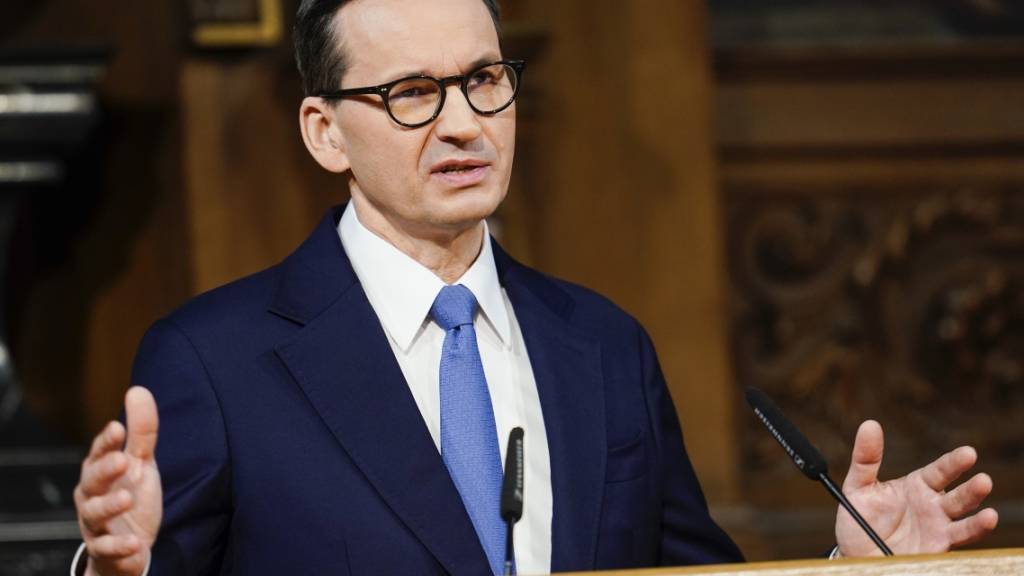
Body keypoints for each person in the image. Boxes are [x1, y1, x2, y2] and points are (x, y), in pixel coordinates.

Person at [70, 0, 1000, 574]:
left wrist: (854, 568)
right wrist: (117, 569)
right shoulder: (218, 361)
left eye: (484, 79)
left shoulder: (603, 345)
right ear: (325, 132)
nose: (465, 124)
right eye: (412, 94)